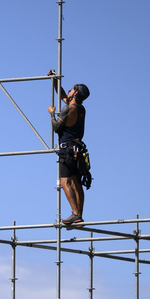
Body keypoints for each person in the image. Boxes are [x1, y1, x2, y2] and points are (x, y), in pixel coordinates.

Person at [47, 71, 90, 227]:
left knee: (65, 182)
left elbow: (57, 128)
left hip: (67, 150)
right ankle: (79, 215)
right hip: (78, 149)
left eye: (72, 89)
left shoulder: (67, 110)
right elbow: (64, 95)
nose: (70, 91)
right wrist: (54, 80)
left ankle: (75, 214)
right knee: (77, 183)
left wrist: (52, 114)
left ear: (76, 92)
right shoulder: (80, 108)